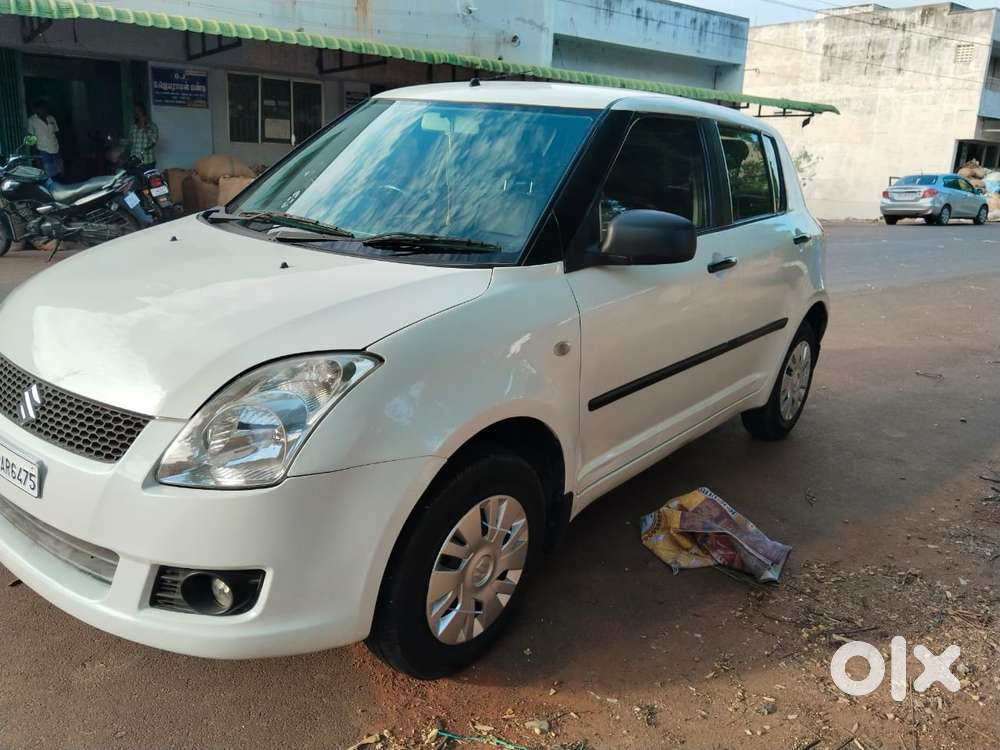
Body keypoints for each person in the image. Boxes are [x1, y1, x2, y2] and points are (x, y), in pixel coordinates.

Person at [27, 100, 61, 178]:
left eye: (45, 108)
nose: (44, 110)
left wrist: (60, 147)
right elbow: (31, 138)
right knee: (48, 173)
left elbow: (56, 133)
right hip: (43, 150)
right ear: (36, 110)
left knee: (59, 170)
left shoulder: (51, 118)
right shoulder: (31, 120)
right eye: (41, 108)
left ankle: (60, 187)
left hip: (55, 148)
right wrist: (35, 154)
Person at [125, 103, 159, 169]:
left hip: (148, 161)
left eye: (138, 111)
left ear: (144, 112)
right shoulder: (133, 127)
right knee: (135, 179)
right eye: (135, 111)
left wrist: (144, 127)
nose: (136, 113)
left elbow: (153, 142)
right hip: (134, 161)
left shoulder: (152, 126)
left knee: (148, 179)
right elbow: (130, 142)